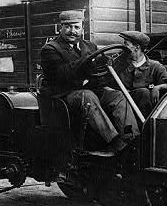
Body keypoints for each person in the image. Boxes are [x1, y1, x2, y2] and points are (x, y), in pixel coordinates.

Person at [40, 10, 139, 153]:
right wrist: (88, 62)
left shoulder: (89, 46)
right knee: (87, 96)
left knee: (117, 95)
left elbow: (98, 71)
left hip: (91, 89)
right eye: (67, 26)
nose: (72, 31)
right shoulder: (50, 49)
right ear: (60, 27)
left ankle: (132, 138)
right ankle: (113, 141)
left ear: (82, 28)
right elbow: (63, 74)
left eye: (76, 27)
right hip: (62, 95)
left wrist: (117, 62)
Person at [113, 30, 167, 116]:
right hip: (122, 107)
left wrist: (158, 87)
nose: (123, 48)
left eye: (126, 44)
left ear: (137, 47)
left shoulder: (155, 66)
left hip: (144, 112)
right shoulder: (119, 64)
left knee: (143, 92)